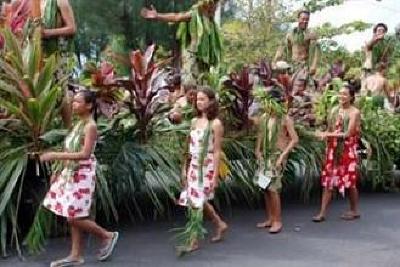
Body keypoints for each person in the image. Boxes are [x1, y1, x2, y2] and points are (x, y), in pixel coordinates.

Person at [40, 90, 118, 267]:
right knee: (72, 213)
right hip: (70, 173)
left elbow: (85, 154)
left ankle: (107, 235)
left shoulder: (90, 126)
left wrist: (54, 155)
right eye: (73, 101)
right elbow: (70, 150)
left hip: (82, 175)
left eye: (77, 102)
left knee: (74, 217)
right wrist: (58, 171)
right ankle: (75, 255)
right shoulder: (78, 124)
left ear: (89, 105)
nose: (73, 104)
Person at [177, 86, 228, 252]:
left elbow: (217, 150)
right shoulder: (193, 121)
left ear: (211, 101)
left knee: (196, 204)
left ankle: (194, 240)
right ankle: (219, 223)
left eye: (202, 99)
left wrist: (214, 177)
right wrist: (184, 168)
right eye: (197, 99)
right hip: (193, 166)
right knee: (198, 200)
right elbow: (188, 147)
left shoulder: (216, 124)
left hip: (206, 170)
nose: (199, 102)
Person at [141, 0, 222, 85]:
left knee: (202, 82)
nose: (215, 7)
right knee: (189, 83)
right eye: (214, 4)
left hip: (202, 60)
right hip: (192, 56)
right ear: (207, 5)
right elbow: (177, 17)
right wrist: (157, 16)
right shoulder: (194, 14)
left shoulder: (210, 20)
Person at [312, 83, 361, 222]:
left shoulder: (354, 112)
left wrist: (327, 134)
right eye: (340, 93)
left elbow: (349, 133)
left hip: (347, 151)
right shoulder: (334, 110)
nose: (341, 96)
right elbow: (330, 127)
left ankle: (354, 210)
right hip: (333, 149)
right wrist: (325, 136)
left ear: (351, 96)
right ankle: (322, 213)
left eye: (345, 94)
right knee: (328, 181)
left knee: (350, 182)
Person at [255, 88, 298, 234]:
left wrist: (282, 156)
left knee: (273, 188)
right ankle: (270, 218)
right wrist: (257, 150)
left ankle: (278, 221)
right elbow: (261, 134)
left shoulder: (285, 119)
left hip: (277, 156)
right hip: (265, 156)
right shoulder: (264, 117)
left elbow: (294, 139)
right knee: (265, 187)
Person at [274, 10, 319, 92]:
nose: (305, 21)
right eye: (303, 19)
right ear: (298, 19)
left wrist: (313, 66)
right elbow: (282, 48)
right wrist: (275, 60)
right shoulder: (290, 34)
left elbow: (316, 51)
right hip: (292, 66)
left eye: (307, 19)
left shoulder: (311, 34)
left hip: (304, 67)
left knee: (308, 89)